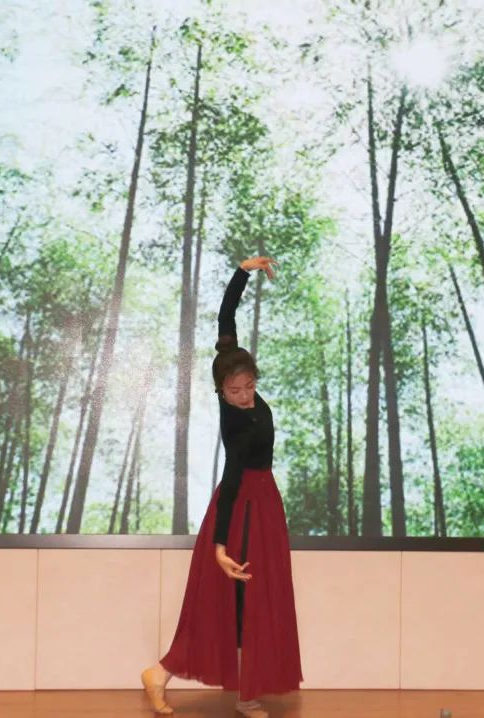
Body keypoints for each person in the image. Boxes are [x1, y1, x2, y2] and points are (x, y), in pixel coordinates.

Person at [141, 256, 303, 717]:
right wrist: (218, 546)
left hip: (263, 503)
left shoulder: (231, 362)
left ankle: (199, 681)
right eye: (235, 391)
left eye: (250, 386)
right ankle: (209, 684)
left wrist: (243, 270)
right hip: (242, 510)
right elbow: (231, 481)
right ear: (220, 390)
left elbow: (226, 316)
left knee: (251, 600)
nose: (245, 394)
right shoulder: (237, 427)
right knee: (242, 600)